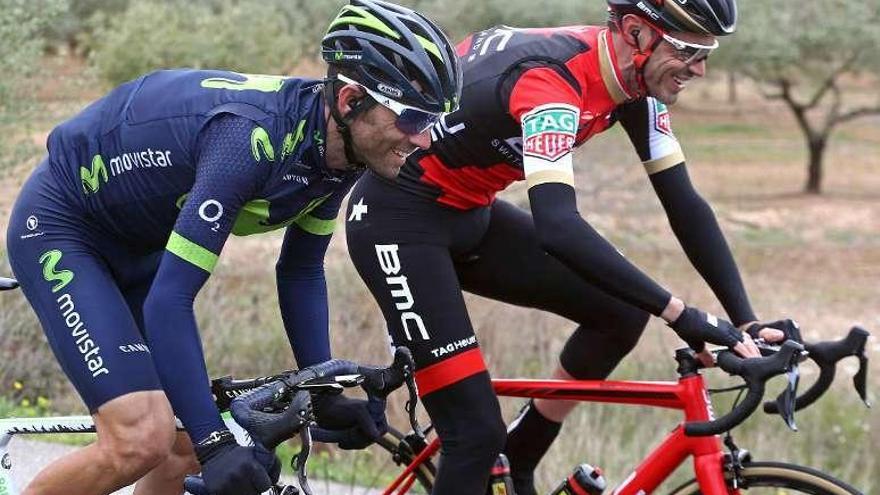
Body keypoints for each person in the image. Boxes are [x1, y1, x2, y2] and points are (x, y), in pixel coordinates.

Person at [344, 0, 802, 493]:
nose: (701, 69)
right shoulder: (550, 83)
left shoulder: (634, 85)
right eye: (689, 51)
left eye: (707, 53)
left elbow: (685, 205)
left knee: (621, 313)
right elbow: (559, 228)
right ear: (635, 32)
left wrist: (744, 318)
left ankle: (519, 458)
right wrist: (682, 313)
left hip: (468, 212)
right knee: (474, 435)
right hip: (397, 224)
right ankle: (493, 451)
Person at [5, 1, 461, 494]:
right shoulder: (248, 142)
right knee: (141, 437)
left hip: (138, 242)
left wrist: (323, 389)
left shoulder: (339, 153)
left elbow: (301, 270)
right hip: (64, 225)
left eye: (434, 120)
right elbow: (169, 300)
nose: (424, 139)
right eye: (414, 118)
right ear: (351, 100)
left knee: (179, 448)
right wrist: (216, 445)